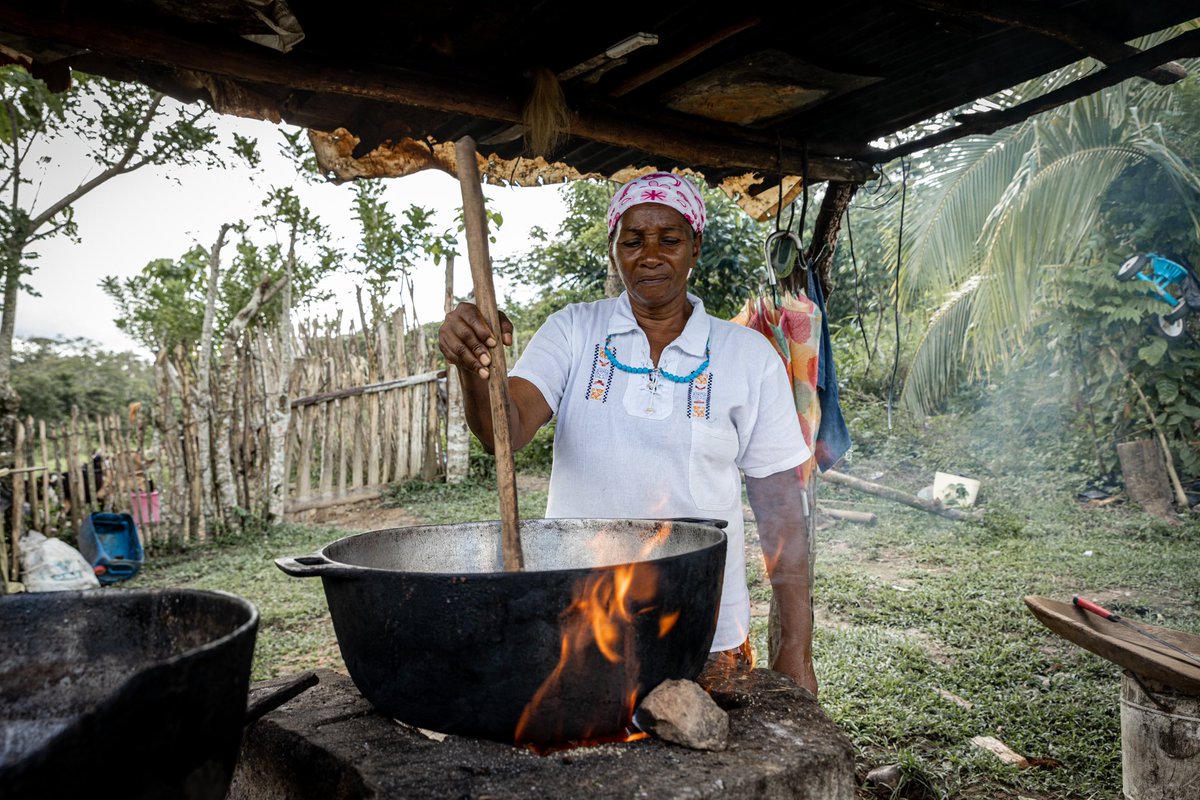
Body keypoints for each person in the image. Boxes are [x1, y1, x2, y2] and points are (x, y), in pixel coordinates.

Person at [438, 172, 817, 695]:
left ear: (695, 247)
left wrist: (795, 649)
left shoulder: (748, 358)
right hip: (579, 621)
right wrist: (472, 362)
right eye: (633, 239)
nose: (651, 254)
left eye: (670, 238)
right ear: (614, 247)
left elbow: (781, 515)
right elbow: (505, 430)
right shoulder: (573, 331)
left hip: (703, 632)